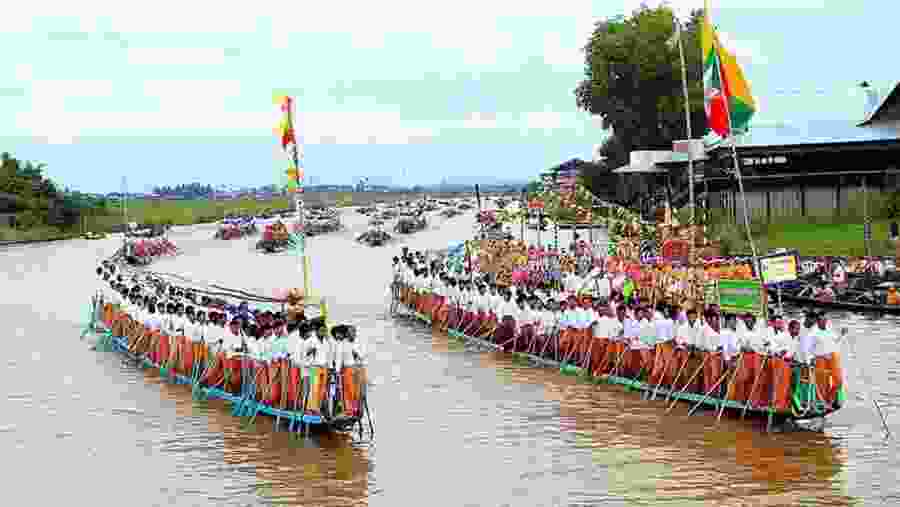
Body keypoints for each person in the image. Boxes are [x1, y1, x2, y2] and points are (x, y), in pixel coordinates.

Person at [813, 311, 843, 408]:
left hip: (832, 356)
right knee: (822, 382)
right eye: (822, 320)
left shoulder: (829, 329)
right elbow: (809, 348)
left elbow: (835, 339)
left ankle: (830, 399)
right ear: (818, 321)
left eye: (825, 320)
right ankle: (822, 402)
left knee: (838, 380)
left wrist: (841, 334)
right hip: (820, 358)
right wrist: (810, 359)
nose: (824, 322)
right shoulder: (813, 332)